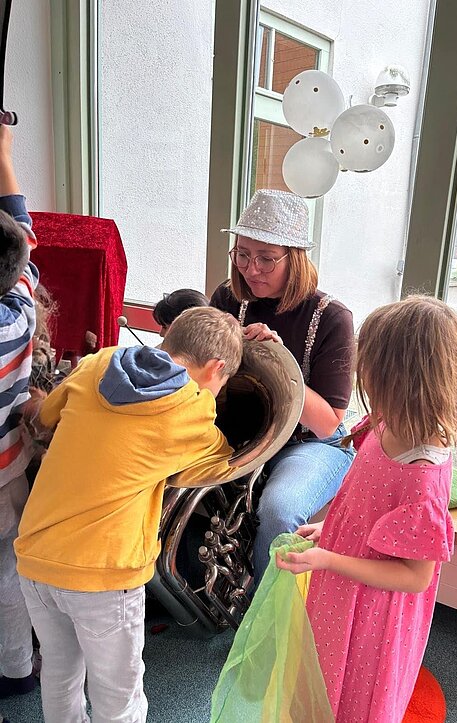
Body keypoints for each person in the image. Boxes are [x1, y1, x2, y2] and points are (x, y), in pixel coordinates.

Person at [14, 306, 243, 723]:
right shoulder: (193, 408)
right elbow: (224, 458)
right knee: (118, 697)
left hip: (35, 556)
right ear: (216, 368)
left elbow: (45, 418)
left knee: (60, 674)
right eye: (222, 382)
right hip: (105, 573)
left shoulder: (101, 360)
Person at [277, 295, 457, 722]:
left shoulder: (422, 474)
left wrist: (329, 558)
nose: (359, 370)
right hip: (342, 584)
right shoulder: (386, 422)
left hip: (372, 615)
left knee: (355, 693)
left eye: (366, 361)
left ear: (399, 374)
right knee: (324, 675)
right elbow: (365, 502)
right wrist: (330, 529)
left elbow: (415, 577)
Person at [211, 188, 355, 584]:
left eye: (266, 258)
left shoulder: (333, 317)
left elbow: (328, 423)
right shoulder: (227, 297)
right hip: (244, 432)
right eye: (242, 255)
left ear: (295, 258)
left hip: (311, 443)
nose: (250, 269)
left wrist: (281, 362)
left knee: (278, 510)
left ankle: (264, 610)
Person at [0, 125, 39, 700]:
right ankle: (15, 670)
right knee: (9, 568)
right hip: (8, 468)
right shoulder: (19, 309)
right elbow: (24, 238)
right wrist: (5, 156)